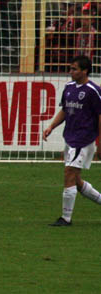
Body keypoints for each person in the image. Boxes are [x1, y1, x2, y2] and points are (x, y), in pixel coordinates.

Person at [43, 55, 101, 226]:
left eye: (74, 69)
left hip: (83, 140)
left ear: (85, 71)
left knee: (69, 173)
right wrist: (51, 126)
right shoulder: (69, 87)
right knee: (76, 179)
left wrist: (100, 143)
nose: (71, 72)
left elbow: (100, 117)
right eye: (71, 68)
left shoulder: (93, 91)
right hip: (70, 137)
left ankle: (65, 218)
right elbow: (65, 110)